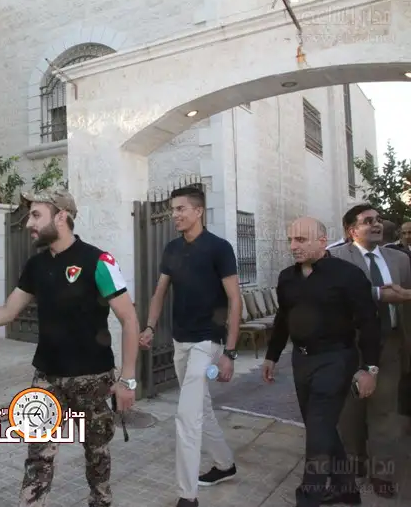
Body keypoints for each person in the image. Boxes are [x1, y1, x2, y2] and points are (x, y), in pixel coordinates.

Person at [0, 188, 142, 507]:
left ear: (61, 217)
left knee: (97, 457)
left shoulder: (98, 261)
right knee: (38, 458)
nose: (28, 223)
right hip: (47, 378)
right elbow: (8, 311)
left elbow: (129, 319)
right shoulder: (36, 266)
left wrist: (127, 380)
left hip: (93, 379)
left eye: (36, 215)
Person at [262, 217, 381, 507]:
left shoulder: (348, 275)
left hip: (336, 360)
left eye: (301, 240)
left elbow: (369, 323)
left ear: (322, 241)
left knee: (318, 431)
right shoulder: (287, 277)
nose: (293, 246)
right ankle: (347, 490)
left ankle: (308, 497)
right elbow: (283, 319)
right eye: (290, 240)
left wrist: (370, 368)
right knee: (322, 428)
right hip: (301, 361)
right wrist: (272, 355)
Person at [143, 186, 241, 507]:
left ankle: (187, 496)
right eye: (173, 210)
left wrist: (229, 352)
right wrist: (150, 326)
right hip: (180, 341)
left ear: (198, 211)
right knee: (201, 407)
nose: (175, 215)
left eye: (181, 209)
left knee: (187, 416)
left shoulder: (219, 248)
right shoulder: (172, 248)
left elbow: (235, 300)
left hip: (207, 341)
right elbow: (160, 292)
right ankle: (225, 464)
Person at [329, 204, 411, 498]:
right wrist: (378, 294)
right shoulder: (336, 258)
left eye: (378, 219)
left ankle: (382, 472)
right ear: (352, 230)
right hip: (350, 345)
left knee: (384, 411)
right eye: (367, 221)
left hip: (388, 344)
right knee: (349, 410)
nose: (376, 224)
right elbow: (334, 295)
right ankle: (354, 462)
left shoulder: (400, 260)